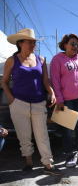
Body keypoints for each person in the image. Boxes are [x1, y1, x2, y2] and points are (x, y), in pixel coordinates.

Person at [2, 28, 61, 175]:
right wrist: (11, 99)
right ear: (20, 43)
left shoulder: (41, 60)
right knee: (24, 135)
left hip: (39, 103)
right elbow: (4, 82)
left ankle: (48, 165)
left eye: (34, 42)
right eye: (30, 42)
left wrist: (52, 93)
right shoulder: (11, 60)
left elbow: (45, 80)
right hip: (18, 104)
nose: (33, 45)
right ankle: (29, 162)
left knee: (42, 135)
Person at [50, 33, 78, 168]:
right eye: (72, 44)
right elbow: (55, 80)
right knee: (67, 128)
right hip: (66, 99)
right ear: (65, 44)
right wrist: (59, 98)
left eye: (77, 45)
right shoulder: (57, 59)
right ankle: (69, 155)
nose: (75, 47)